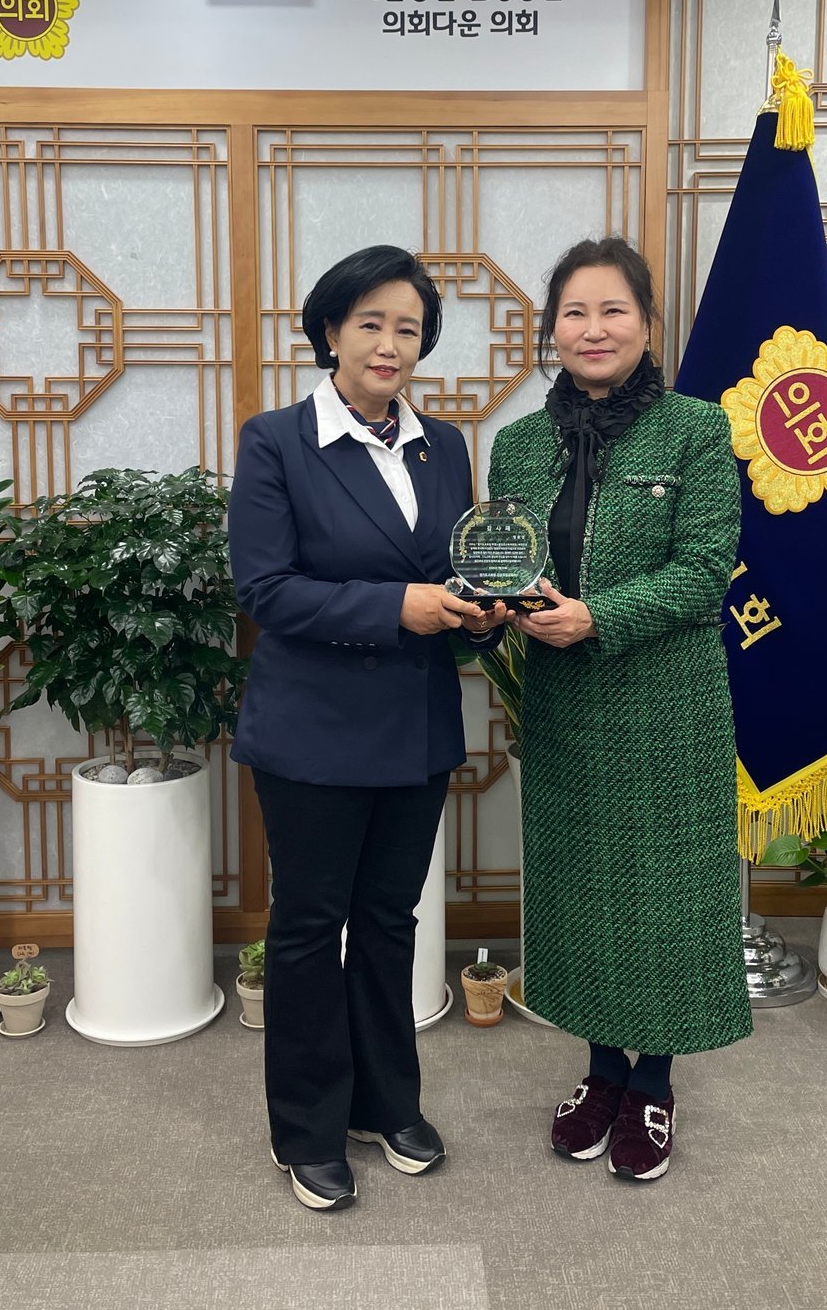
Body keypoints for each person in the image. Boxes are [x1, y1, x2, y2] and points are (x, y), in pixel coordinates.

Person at [229, 245, 503, 1212]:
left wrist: (483, 611)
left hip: (415, 725)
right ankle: (308, 1126)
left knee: (390, 921)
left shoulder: (446, 446)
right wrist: (398, 607)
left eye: (409, 329)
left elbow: (454, 571)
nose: (391, 344)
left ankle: (387, 1102)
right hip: (312, 730)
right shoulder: (276, 440)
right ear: (331, 331)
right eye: (371, 323)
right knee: (310, 928)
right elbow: (266, 589)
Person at [488, 236, 752, 1182]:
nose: (593, 329)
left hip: (668, 702)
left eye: (614, 310)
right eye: (575, 312)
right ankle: (602, 1070)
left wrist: (598, 616)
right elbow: (504, 563)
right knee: (581, 891)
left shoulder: (697, 430)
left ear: (647, 323)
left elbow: (704, 571)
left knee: (666, 894)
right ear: (551, 329)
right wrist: (494, 608)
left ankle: (655, 1082)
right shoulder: (517, 445)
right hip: (562, 703)